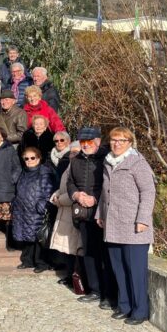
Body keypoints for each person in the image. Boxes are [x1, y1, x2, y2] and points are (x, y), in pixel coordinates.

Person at [99, 128, 156, 325]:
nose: (117, 143)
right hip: (113, 224)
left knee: (135, 271)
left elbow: (148, 192)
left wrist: (143, 220)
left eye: (121, 140)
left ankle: (140, 311)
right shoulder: (108, 161)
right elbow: (105, 192)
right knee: (119, 269)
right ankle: (124, 306)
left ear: (130, 143)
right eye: (113, 140)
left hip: (134, 226)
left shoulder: (137, 163)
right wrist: (100, 214)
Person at [67, 126, 115, 310]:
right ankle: (94, 290)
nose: (85, 145)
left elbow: (108, 183)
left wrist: (94, 198)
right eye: (82, 142)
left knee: (105, 254)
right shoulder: (76, 159)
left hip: (102, 211)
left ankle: (108, 294)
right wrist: (77, 195)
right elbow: (70, 182)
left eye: (88, 142)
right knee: (89, 252)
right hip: (83, 212)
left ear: (97, 141)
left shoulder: (106, 158)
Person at [12, 146, 55, 272]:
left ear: (39, 158)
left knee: (38, 237)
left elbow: (48, 189)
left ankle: (41, 263)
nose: (29, 160)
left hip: (36, 209)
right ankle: (27, 260)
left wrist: (43, 204)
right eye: (26, 158)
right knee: (26, 236)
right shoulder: (22, 172)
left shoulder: (44, 172)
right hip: (22, 209)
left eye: (32, 158)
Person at [49, 140, 82, 289]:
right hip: (64, 212)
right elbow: (63, 187)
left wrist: (60, 200)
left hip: (73, 212)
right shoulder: (69, 166)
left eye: (76, 151)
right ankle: (70, 275)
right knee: (68, 248)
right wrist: (55, 195)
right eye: (71, 152)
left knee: (74, 248)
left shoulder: (80, 168)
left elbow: (75, 193)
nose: (72, 154)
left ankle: (76, 278)